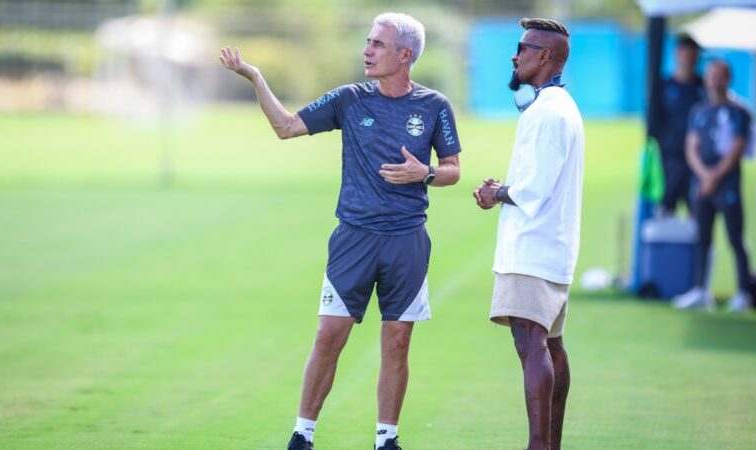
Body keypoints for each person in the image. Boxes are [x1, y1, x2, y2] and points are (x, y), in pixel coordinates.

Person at [220, 12, 461, 450]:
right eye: (367, 42)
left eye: (377, 45)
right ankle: (302, 434)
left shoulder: (434, 106)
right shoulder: (350, 99)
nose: (366, 51)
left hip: (407, 240)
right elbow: (286, 127)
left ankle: (386, 439)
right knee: (329, 335)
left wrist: (422, 173)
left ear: (405, 54)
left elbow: (452, 171)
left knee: (398, 342)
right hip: (354, 238)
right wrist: (255, 78)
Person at [473, 18, 583, 450]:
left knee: (530, 341)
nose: (515, 55)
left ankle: (538, 444)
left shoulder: (545, 112)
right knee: (551, 344)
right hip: (554, 247)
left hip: (532, 249)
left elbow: (531, 190)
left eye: (523, 48)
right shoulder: (563, 106)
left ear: (545, 57)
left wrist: (494, 192)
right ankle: (550, 444)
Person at [674, 59, 752, 312]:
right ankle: (700, 289)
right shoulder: (699, 111)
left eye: (721, 76)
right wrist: (703, 175)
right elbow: (691, 146)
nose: (715, 81)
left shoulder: (739, 111)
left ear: (728, 79)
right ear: (706, 79)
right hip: (703, 184)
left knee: (735, 238)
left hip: (726, 184)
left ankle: (743, 291)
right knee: (702, 239)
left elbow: (737, 148)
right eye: (712, 76)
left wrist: (714, 176)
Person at [653, 35, 705, 215]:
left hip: (698, 159)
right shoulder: (664, 86)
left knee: (698, 210)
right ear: (678, 54)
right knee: (666, 208)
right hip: (670, 158)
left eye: (694, 54)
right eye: (687, 53)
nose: (690, 58)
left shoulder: (703, 87)